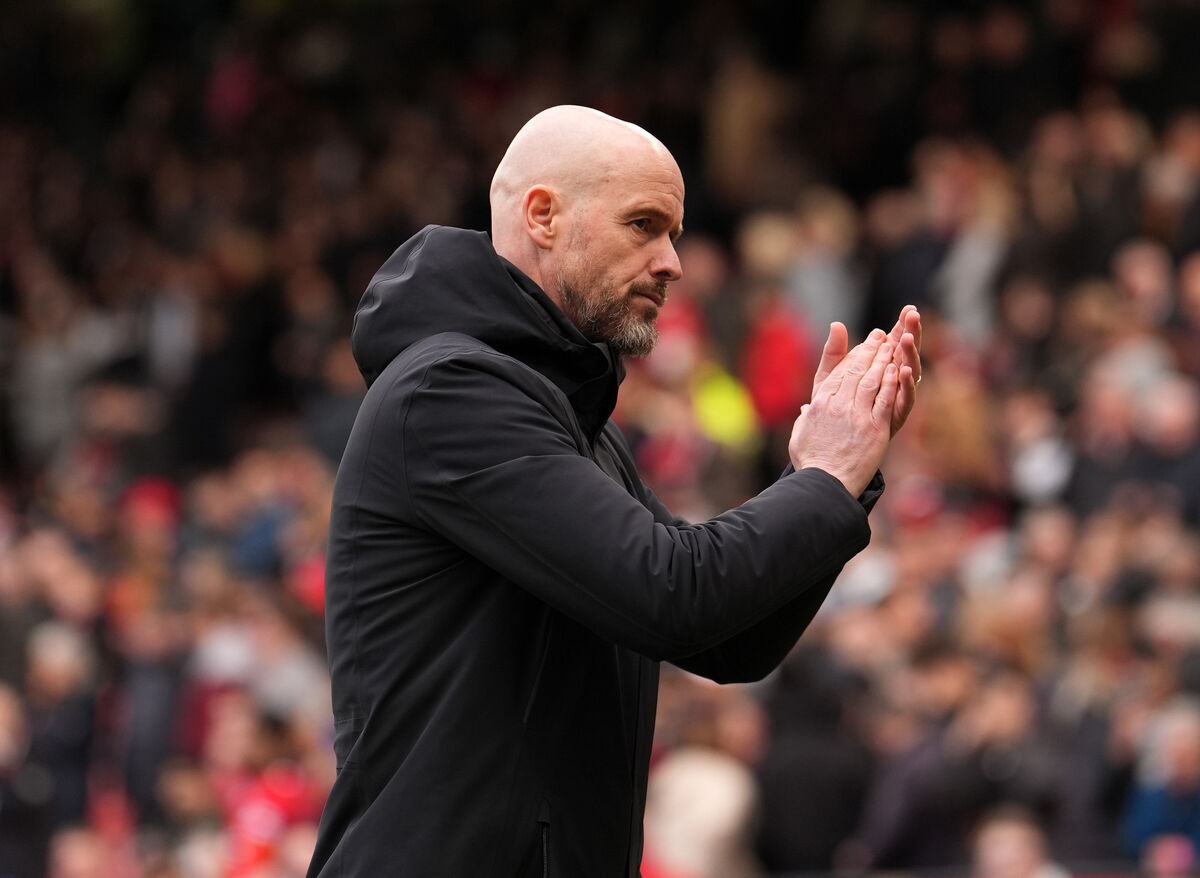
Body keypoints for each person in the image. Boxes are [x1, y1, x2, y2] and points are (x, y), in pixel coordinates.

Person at [305, 105, 921, 878]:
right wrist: (826, 481)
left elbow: (727, 639)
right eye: (644, 225)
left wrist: (829, 478)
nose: (673, 261)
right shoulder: (450, 390)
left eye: (674, 232)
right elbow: (673, 592)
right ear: (544, 217)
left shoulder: (571, 418)